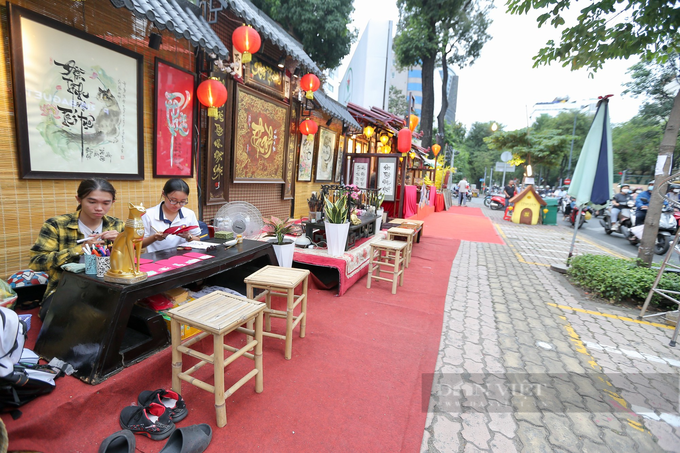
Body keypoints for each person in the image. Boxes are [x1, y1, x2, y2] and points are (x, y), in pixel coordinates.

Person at [29, 178, 124, 319]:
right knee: (57, 319)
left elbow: (133, 259)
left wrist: (122, 243)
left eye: (106, 203)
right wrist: (80, 249)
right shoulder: (56, 225)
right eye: (92, 202)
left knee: (127, 314)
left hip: (108, 286)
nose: (99, 208)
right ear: (79, 199)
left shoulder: (116, 225)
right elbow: (37, 262)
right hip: (65, 288)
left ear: (113, 202)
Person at [142, 179, 201, 252]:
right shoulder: (148, 215)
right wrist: (154, 237)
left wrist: (188, 237)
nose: (178, 205)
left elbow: (198, 239)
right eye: (173, 200)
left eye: (183, 201)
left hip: (182, 258)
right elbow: (138, 245)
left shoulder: (189, 214)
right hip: (155, 259)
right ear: (163, 194)